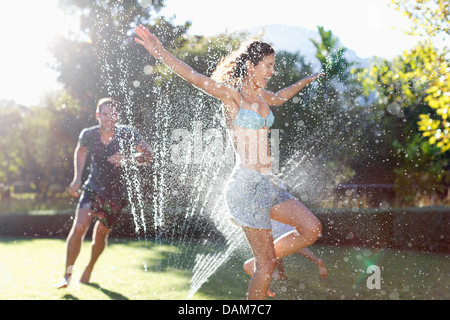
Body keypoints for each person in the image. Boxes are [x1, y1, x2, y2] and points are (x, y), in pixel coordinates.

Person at [135, 25, 323, 300]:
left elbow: (281, 97)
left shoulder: (262, 97)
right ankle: (260, 266)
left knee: (311, 229)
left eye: (274, 66)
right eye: (268, 66)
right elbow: (195, 77)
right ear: (251, 65)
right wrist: (160, 52)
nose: (272, 72)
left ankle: (256, 262)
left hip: (269, 183)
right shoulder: (232, 95)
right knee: (268, 265)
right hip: (246, 186)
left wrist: (306, 80)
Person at [57, 98, 153, 289]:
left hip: (117, 195)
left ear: (117, 116)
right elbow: (81, 150)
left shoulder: (128, 133)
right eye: (105, 114)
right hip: (93, 188)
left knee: (100, 235)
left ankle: (89, 268)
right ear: (98, 115)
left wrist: (128, 157)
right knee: (79, 227)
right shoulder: (89, 134)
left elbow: (148, 156)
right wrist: (77, 178)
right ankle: (67, 275)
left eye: (112, 114)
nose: (109, 118)